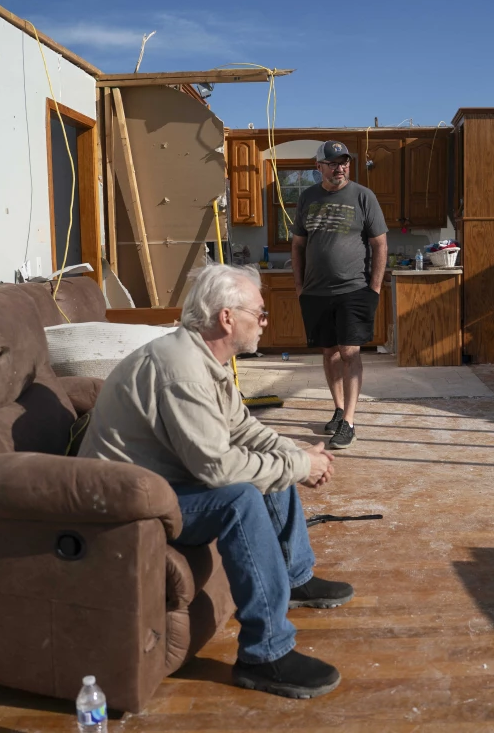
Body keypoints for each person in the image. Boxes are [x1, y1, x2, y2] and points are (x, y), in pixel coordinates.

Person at [79, 264, 352, 700]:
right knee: (239, 498)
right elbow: (218, 471)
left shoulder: (205, 360)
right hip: (129, 502)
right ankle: (264, 656)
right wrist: (299, 468)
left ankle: (294, 576)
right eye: (260, 314)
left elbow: (242, 429)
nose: (266, 323)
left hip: (163, 481)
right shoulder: (182, 371)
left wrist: (297, 455)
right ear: (227, 318)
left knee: (271, 461)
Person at [291, 140, 389, 450]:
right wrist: (298, 286)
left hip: (354, 289)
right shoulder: (307, 198)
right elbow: (297, 245)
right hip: (316, 291)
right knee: (329, 352)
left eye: (344, 161)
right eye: (333, 162)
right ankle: (337, 408)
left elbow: (379, 244)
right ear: (318, 166)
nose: (340, 166)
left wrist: (374, 287)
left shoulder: (363, 196)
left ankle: (349, 421)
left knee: (350, 352)